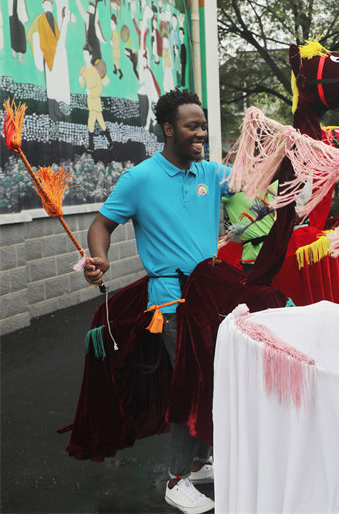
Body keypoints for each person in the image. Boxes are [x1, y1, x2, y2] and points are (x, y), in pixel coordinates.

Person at [83, 89, 229, 513]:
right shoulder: (139, 179)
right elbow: (100, 224)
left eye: (203, 126)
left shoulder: (212, 174)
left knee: (211, 381)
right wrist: (99, 258)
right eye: (192, 126)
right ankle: (176, 479)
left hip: (210, 298)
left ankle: (198, 463)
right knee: (190, 385)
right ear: (168, 129)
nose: (201, 133)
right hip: (170, 304)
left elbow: (256, 183)